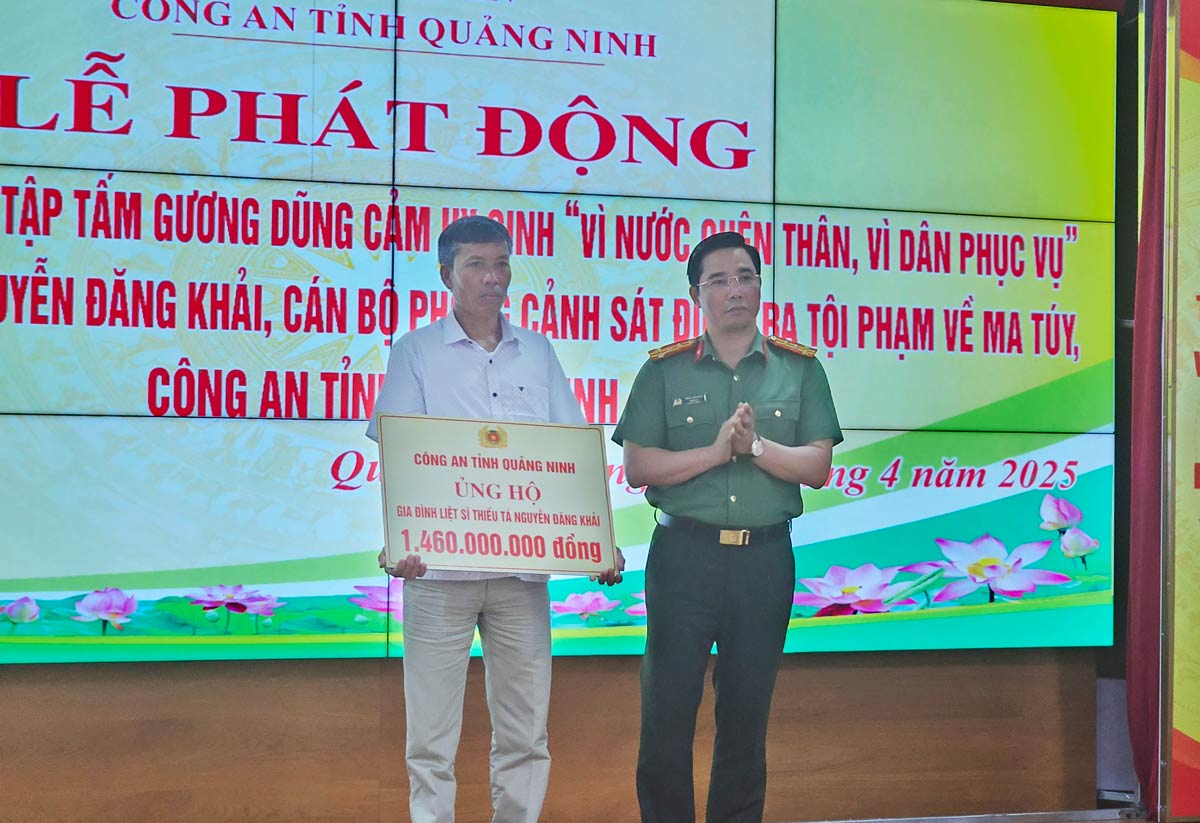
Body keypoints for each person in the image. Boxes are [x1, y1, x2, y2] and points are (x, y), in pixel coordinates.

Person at [366, 215, 622, 823]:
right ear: (446, 274)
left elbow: (570, 455)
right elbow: (402, 456)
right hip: (438, 575)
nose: (493, 277)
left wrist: (598, 543)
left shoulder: (537, 351)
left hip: (521, 576)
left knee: (526, 734)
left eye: (502, 263)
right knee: (430, 740)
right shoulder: (417, 352)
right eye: (477, 264)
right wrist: (398, 542)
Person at [612, 231, 842, 823]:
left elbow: (817, 466)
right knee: (667, 714)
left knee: (746, 715)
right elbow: (639, 467)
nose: (734, 289)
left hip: (764, 562)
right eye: (718, 279)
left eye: (744, 276)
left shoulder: (800, 369)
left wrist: (755, 445)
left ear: (760, 286)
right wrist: (714, 454)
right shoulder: (663, 372)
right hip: (684, 557)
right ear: (696, 294)